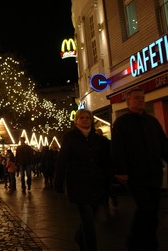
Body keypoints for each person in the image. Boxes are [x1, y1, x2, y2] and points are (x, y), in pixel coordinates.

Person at [111, 88, 168, 251]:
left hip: (154, 173)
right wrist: (120, 170)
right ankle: (136, 242)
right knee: (146, 209)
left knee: (153, 211)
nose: (140, 101)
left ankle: (148, 241)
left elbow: (163, 144)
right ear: (128, 101)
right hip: (136, 174)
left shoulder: (152, 122)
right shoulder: (122, 123)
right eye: (136, 98)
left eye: (142, 98)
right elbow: (118, 148)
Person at [54, 109, 111, 251]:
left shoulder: (98, 139)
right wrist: (58, 182)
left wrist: (109, 180)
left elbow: (106, 161)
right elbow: (63, 160)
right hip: (78, 184)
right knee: (88, 220)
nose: (85, 120)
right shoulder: (70, 137)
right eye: (82, 117)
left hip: (96, 184)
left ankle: (80, 237)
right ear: (76, 120)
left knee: (90, 218)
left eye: (87, 117)